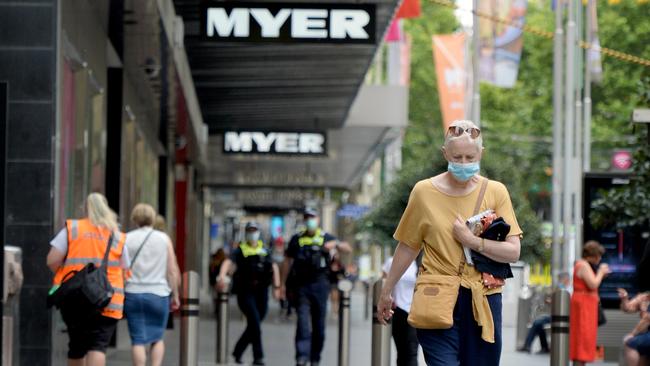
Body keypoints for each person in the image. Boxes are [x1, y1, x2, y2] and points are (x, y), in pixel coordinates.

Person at [376, 120, 523, 366]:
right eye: (457, 157)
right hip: (437, 294)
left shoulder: (496, 192)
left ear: (481, 154)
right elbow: (408, 245)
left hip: (483, 299)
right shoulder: (423, 192)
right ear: (445, 153)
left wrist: (472, 241)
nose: (463, 163)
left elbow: (513, 252)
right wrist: (386, 289)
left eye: (470, 157)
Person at [46, 193, 129, 366]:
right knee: (97, 346)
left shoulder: (73, 228)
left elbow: (52, 260)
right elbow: (125, 269)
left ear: (85, 208)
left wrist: (64, 274)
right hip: (108, 299)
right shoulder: (118, 236)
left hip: (76, 298)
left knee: (77, 346)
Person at [280, 208, 352, 366]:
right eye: (307, 218)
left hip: (320, 285)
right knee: (303, 323)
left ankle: (315, 358)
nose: (309, 220)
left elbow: (347, 248)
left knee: (319, 325)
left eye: (312, 217)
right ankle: (302, 357)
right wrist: (282, 285)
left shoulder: (326, 237)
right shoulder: (296, 239)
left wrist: (336, 244)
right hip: (301, 286)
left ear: (318, 219)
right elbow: (287, 261)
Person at [123, 204, 181, 366]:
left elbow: (121, 268)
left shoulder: (127, 238)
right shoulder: (164, 239)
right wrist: (175, 295)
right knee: (157, 338)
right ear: (152, 218)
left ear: (134, 218)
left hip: (133, 293)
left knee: (138, 340)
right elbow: (172, 270)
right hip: (159, 294)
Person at [217, 221, 281, 365]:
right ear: (246, 233)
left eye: (255, 230)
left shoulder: (264, 250)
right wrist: (222, 275)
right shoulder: (240, 250)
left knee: (255, 323)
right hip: (245, 292)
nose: (253, 233)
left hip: (262, 292)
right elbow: (228, 262)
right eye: (250, 230)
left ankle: (238, 351)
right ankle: (258, 357)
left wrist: (277, 287)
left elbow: (274, 267)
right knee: (255, 324)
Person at [569, 240, 611, 366]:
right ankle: (579, 362)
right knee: (583, 337)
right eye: (598, 255)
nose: (600, 258)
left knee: (585, 337)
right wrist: (601, 272)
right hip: (584, 305)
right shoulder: (583, 265)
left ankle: (581, 361)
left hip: (586, 305)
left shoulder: (583, 264)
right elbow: (593, 284)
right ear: (592, 255)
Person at [517, 272, 571, 354]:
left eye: (561, 279)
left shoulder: (566, 290)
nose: (560, 281)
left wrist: (551, 301)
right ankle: (542, 347)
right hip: (556, 315)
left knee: (537, 323)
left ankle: (528, 346)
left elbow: (562, 304)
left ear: (566, 279)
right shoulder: (562, 289)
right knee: (538, 323)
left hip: (561, 318)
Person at [382, 254, 420, 366]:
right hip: (397, 311)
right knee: (401, 351)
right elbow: (383, 283)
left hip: (414, 312)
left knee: (411, 352)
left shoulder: (421, 262)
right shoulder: (391, 261)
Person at [618, 288, 650, 366]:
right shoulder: (645, 296)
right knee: (642, 350)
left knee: (630, 343)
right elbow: (628, 308)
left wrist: (632, 334)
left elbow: (647, 319)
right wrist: (624, 299)